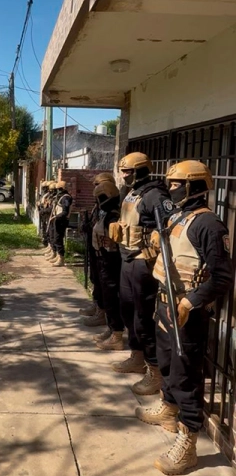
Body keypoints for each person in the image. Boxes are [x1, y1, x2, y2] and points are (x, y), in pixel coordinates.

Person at [134, 160, 233, 475]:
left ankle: (188, 441)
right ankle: (168, 409)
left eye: (177, 184)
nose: (171, 189)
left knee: (185, 375)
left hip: (186, 313)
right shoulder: (178, 216)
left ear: (195, 186)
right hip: (165, 303)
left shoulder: (210, 225)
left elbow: (222, 277)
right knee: (166, 364)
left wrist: (190, 303)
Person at [107, 152, 174, 395]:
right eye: (123, 171)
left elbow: (168, 225)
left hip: (142, 262)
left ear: (141, 170)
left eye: (128, 171)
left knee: (143, 317)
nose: (124, 175)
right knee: (127, 310)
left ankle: (155, 371)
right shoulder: (133, 192)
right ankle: (137, 356)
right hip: (127, 258)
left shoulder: (155, 194)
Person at [91, 178, 127, 351]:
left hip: (111, 261)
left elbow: (118, 240)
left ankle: (117, 335)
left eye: (101, 197)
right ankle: (112, 329)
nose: (99, 201)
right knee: (107, 297)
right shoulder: (105, 213)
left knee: (112, 298)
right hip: (103, 259)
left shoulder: (114, 215)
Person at [80, 173, 115, 326]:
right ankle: (97, 306)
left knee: (104, 284)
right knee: (95, 278)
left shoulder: (111, 207)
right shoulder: (98, 206)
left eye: (98, 185)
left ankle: (102, 313)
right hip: (95, 247)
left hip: (105, 251)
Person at [47, 181, 72, 267]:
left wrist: (56, 217)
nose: (58, 191)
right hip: (57, 220)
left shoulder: (66, 198)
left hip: (62, 221)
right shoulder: (61, 197)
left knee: (58, 239)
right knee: (55, 238)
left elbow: (65, 212)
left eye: (59, 189)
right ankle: (58, 255)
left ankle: (61, 258)